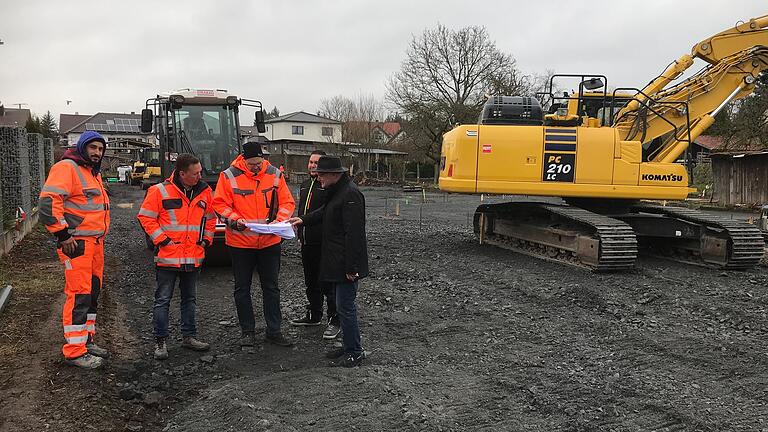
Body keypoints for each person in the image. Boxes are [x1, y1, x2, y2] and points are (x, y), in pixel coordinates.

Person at [212, 140, 296, 348]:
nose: (257, 167)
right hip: (241, 243)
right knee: (242, 288)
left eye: (260, 163)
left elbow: (287, 202)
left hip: (269, 241)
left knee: (271, 288)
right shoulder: (228, 176)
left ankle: (274, 331)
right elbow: (220, 204)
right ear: (243, 161)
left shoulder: (274, 174)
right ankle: (247, 332)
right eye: (252, 164)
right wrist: (235, 220)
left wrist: (280, 221)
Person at [39, 131, 111, 369]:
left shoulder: (91, 172)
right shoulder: (67, 168)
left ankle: (86, 340)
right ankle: (74, 350)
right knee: (79, 294)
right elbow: (49, 203)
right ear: (82, 147)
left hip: (94, 243)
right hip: (76, 243)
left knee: (92, 294)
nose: (97, 153)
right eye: (93, 147)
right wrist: (62, 234)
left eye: (100, 149)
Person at [288, 155, 368, 367]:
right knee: (342, 307)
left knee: (345, 307)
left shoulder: (350, 195)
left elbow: (354, 235)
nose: (318, 177)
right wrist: (303, 220)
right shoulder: (338, 192)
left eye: (321, 174)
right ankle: (349, 345)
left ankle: (355, 352)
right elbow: (325, 212)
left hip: (345, 263)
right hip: (336, 260)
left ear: (335, 174)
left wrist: (352, 267)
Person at [137, 153, 215, 360]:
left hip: (193, 257)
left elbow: (210, 219)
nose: (200, 176)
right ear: (182, 173)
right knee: (163, 300)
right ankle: (160, 341)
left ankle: (189, 336)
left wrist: (206, 240)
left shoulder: (205, 192)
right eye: (195, 173)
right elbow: (145, 217)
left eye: (200, 172)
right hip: (168, 257)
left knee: (190, 299)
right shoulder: (159, 191)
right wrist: (162, 241)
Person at [289, 150, 340, 340]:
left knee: (328, 282)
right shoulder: (304, 185)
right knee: (311, 282)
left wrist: (303, 220)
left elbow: (323, 213)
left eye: (316, 162)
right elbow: (302, 211)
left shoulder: (327, 186)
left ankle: (334, 320)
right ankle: (314, 314)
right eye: (310, 162)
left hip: (324, 243)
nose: (312, 165)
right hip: (307, 242)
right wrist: (300, 232)